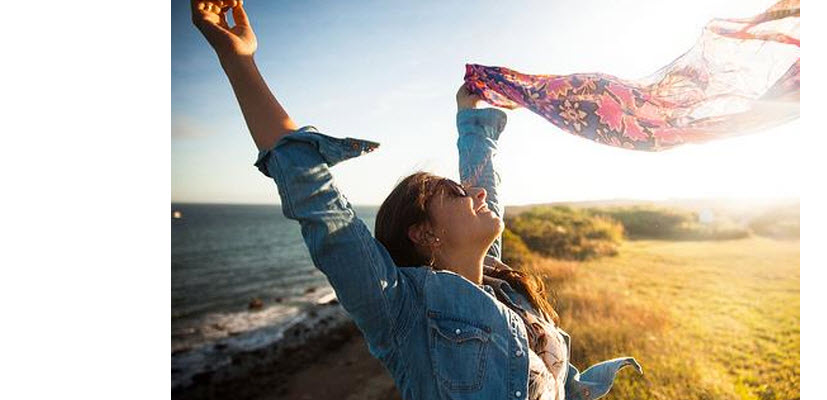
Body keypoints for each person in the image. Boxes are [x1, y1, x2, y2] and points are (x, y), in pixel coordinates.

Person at [190, 2, 641, 399]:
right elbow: (317, 202)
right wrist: (238, 60)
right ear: (424, 233)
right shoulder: (402, 312)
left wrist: (471, 118)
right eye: (458, 194)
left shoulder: (500, 281)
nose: (478, 193)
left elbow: (485, 179)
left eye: (463, 190)